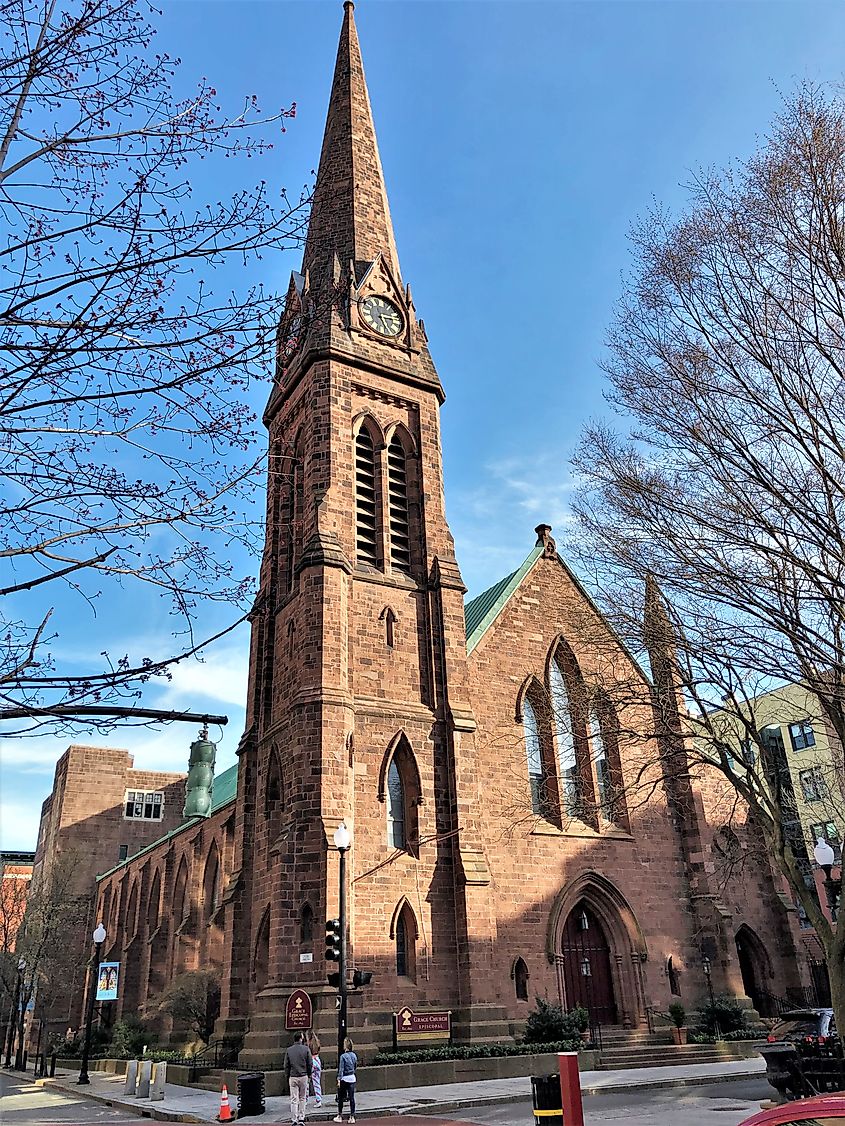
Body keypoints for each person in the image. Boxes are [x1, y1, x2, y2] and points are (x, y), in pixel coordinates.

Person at [284, 1030, 313, 1126]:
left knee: (294, 1099)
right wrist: (309, 1075)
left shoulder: (289, 1050)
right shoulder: (306, 1049)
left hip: (293, 1076)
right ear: (301, 1038)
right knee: (302, 1098)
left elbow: (286, 1065)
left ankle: (294, 1119)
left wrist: (287, 1075)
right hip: (303, 1076)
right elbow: (310, 1064)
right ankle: (301, 1118)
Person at [334, 1037, 358, 1124]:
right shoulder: (354, 1055)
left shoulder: (343, 1056)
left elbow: (341, 1069)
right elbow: (355, 1066)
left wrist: (339, 1079)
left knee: (341, 1098)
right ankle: (352, 1116)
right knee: (352, 1098)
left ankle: (340, 1115)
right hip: (352, 1078)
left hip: (344, 1078)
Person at [307, 1031, 323, 1108]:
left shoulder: (309, 1045)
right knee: (317, 1082)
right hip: (317, 1060)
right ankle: (319, 1100)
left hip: (311, 1061)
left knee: (307, 1083)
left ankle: (305, 1100)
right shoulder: (317, 1043)